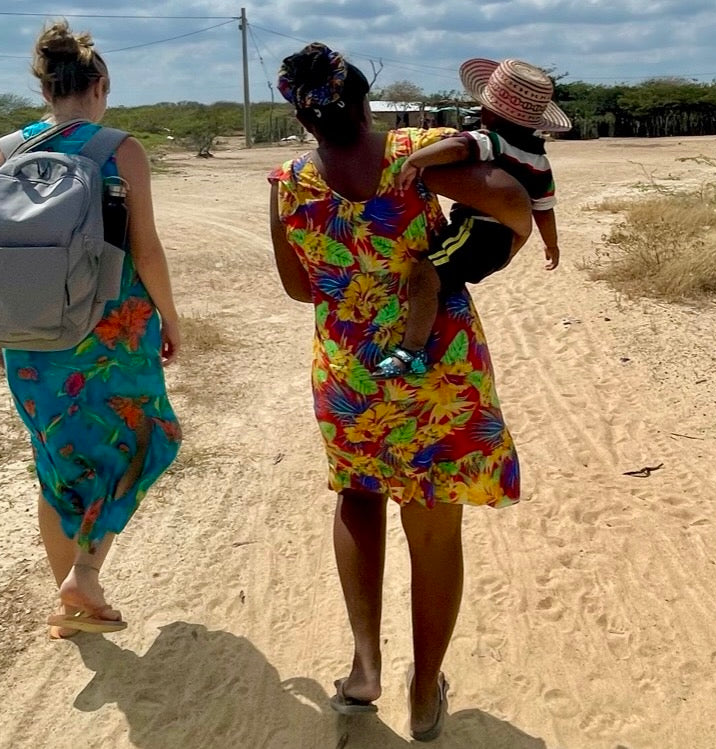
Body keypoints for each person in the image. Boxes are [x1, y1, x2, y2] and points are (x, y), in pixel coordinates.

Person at [267, 43, 530, 741]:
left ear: (305, 118)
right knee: (435, 524)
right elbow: (509, 196)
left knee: (358, 498)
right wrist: (512, 238)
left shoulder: (289, 183)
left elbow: (300, 287)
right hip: (435, 367)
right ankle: (422, 696)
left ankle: (363, 669)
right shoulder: (416, 152)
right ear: (360, 100)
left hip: (351, 371)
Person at [0, 21, 183, 640]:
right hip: (112, 328)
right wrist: (170, 318)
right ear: (101, 85)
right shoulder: (120, 149)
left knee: (55, 463)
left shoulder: (7, 150)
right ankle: (87, 574)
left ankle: (71, 608)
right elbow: (144, 249)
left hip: (26, 330)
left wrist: (1, 330)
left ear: (45, 90)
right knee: (149, 434)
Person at [377, 58, 568, 379]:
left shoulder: (492, 141)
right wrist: (552, 245)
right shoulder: (540, 161)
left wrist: (414, 160)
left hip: (477, 233)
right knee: (442, 282)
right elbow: (544, 209)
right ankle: (425, 343)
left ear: (488, 112)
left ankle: (410, 351)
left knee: (423, 275)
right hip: (500, 242)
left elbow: (458, 147)